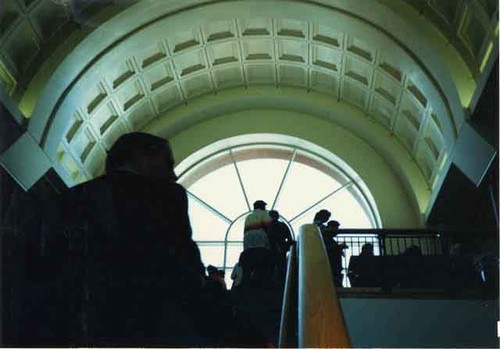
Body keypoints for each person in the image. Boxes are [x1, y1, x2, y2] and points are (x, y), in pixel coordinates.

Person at [15, 132, 213, 346]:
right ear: (141, 157)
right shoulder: (167, 195)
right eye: (167, 163)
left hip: (85, 326)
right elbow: (183, 262)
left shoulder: (71, 199)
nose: (173, 175)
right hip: (151, 321)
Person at [267, 210, 293, 278]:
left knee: (271, 269)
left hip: (270, 250)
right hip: (282, 250)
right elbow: (289, 238)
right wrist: (285, 247)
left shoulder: (267, 227)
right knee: (282, 268)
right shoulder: (283, 225)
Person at [323, 220, 347, 287]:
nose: (337, 231)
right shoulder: (327, 238)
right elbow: (327, 249)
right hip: (332, 266)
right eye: (336, 228)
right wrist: (339, 247)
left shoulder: (326, 237)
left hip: (331, 267)